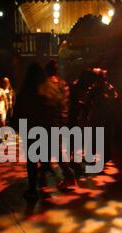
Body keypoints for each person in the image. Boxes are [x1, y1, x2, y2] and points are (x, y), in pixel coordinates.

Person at [14, 63, 49, 199]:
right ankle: (44, 183)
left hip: (29, 129)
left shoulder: (24, 93)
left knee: (31, 160)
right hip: (44, 128)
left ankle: (33, 188)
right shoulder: (46, 91)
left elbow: (18, 112)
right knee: (43, 157)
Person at [43, 60, 76, 191]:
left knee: (56, 150)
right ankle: (47, 171)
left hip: (52, 121)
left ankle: (69, 177)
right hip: (63, 120)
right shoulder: (64, 84)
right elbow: (66, 103)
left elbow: (46, 104)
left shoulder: (48, 84)